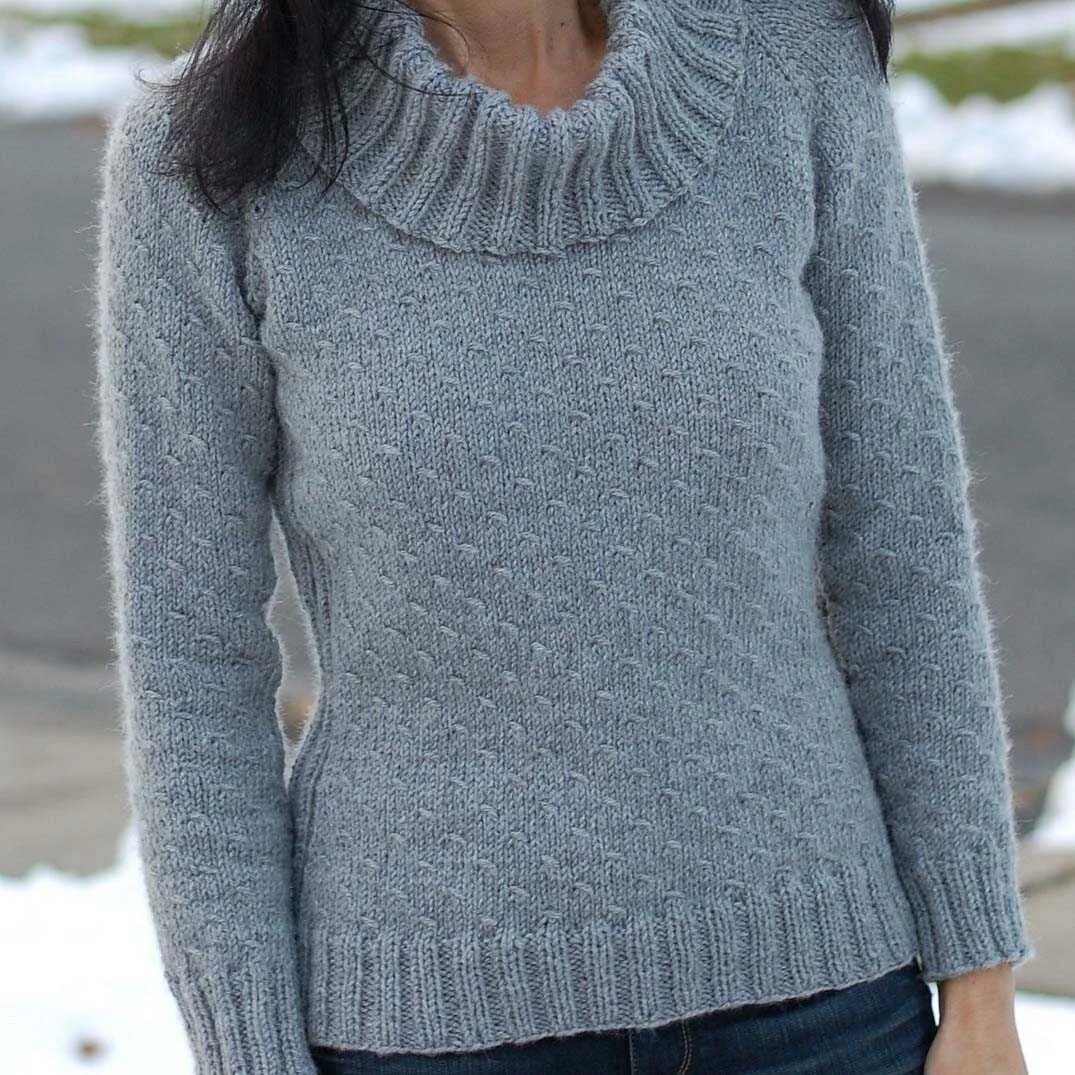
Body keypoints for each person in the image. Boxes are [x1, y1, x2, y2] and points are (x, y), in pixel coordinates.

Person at [92, 1, 1036, 1072]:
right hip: (426, 1027)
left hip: (824, 1010)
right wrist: (248, 1051)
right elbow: (191, 654)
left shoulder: (794, 62)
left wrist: (979, 977)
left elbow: (902, 544)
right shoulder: (209, 157)